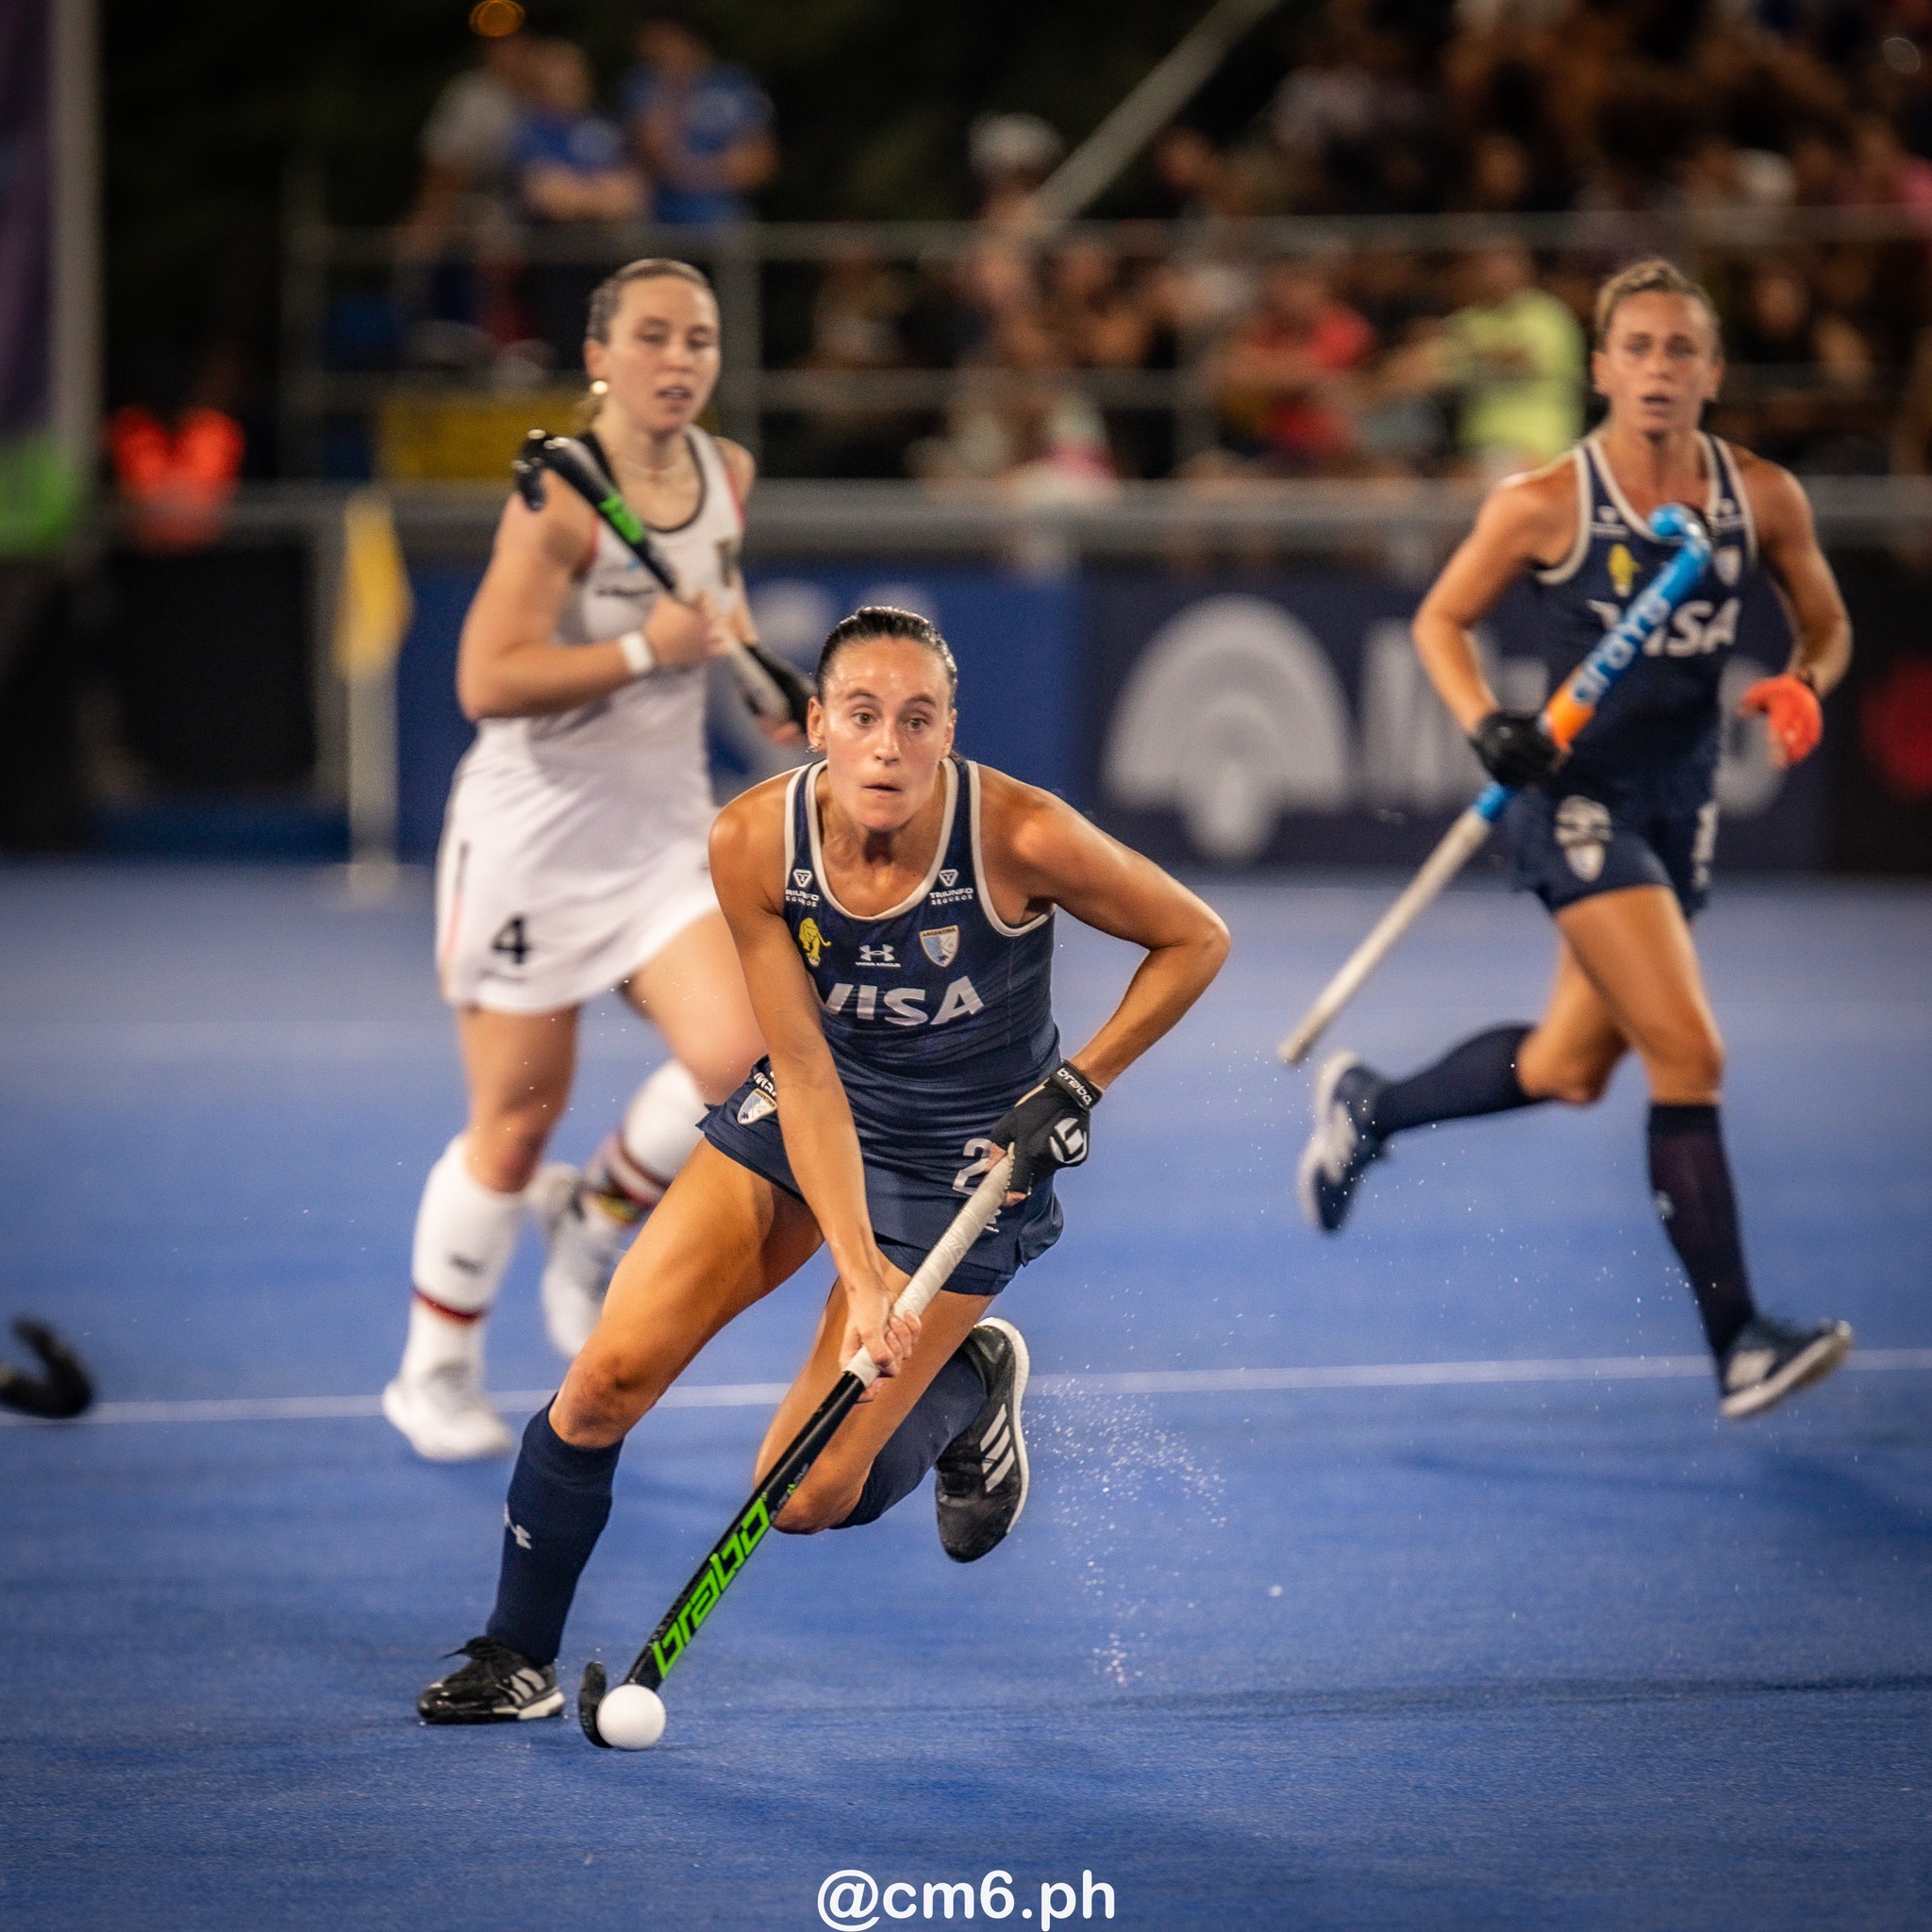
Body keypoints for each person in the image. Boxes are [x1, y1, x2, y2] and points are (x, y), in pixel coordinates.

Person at [415, 606, 1230, 1721]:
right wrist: (861, 1273)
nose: (887, 745)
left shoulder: (1021, 835)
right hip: (810, 1110)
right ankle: (514, 1653)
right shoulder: (751, 841)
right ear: (815, 728)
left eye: (915, 718)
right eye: (861, 716)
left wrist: (1078, 1082)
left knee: (796, 1496)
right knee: (602, 1380)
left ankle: (964, 1383)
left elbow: (1194, 937)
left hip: (968, 1160)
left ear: (949, 730)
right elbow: (799, 1072)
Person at [1297, 257, 1855, 1424]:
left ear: (1711, 370)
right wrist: (1484, 724)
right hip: (1574, 798)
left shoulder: (1759, 496)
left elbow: (1823, 621)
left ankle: (1370, 1106)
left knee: (1565, 1066)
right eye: (1636, 349)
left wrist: (1807, 682)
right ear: (1599, 368)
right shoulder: (1545, 500)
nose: (1657, 369)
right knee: (1687, 1054)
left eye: (1679, 350)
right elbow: (1439, 619)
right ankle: (1737, 1341)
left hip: (1678, 799)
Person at [384, 258, 795, 1464]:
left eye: (700, 339)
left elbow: (708, 599)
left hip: (663, 833)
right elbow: (484, 678)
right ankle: (434, 1369)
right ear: (600, 360)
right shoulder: (557, 499)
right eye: (653, 337)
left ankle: (598, 1214)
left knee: (752, 1064)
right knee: (513, 1128)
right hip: (529, 842)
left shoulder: (728, 472)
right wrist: (639, 654)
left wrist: (752, 669)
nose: (680, 360)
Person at [621, 13, 776, 227]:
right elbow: (652, 154)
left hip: (725, 216)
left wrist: (686, 170)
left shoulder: (734, 83)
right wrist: (674, 88)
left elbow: (758, 165)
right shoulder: (642, 85)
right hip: (656, 215)